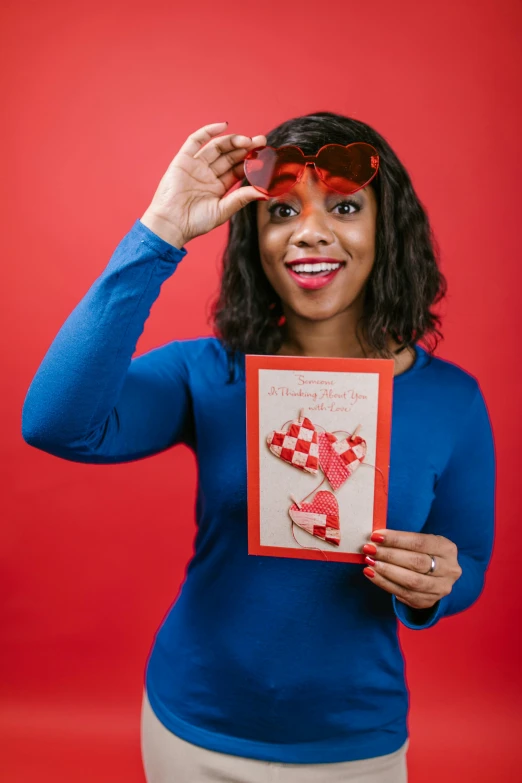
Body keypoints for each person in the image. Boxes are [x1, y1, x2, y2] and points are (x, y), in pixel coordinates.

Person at [21, 113, 496, 782]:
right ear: (255, 239)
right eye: (280, 211)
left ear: (387, 231)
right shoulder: (209, 372)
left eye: (346, 206)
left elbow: (468, 559)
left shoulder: (453, 398)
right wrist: (158, 233)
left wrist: (436, 585)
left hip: (355, 741)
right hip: (194, 725)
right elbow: (55, 422)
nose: (309, 230)